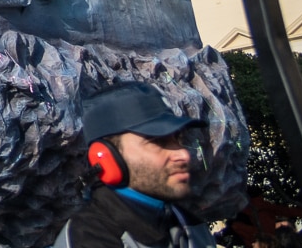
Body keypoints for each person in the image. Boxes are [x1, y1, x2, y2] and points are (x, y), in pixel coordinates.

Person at [53, 82, 211, 248]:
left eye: (178, 139)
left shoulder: (190, 226)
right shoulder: (87, 237)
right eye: (157, 141)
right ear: (105, 157)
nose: (183, 154)